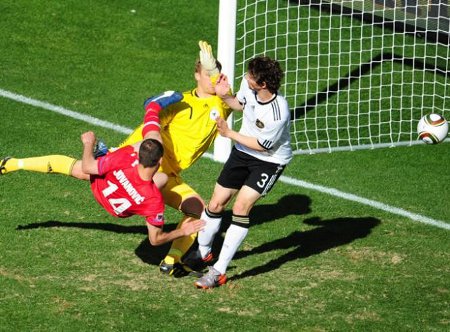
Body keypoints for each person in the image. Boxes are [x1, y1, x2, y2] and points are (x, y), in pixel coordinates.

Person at [0, 93, 205, 248]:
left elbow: (89, 166)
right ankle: (148, 110)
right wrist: (183, 230)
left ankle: (151, 108)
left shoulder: (126, 158)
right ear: (159, 160)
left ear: (137, 157)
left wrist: (88, 144)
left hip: (104, 184)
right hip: (118, 205)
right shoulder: (153, 199)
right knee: (160, 177)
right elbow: (155, 239)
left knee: (82, 168)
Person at [98, 40, 232, 275]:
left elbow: (239, 104)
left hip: (172, 175)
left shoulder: (223, 102)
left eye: (216, 74)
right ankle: (16, 164)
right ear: (196, 75)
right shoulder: (181, 103)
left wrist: (223, 85)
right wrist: (122, 150)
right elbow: (149, 131)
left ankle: (171, 260)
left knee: (198, 211)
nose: (213, 79)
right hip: (155, 169)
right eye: (207, 73)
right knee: (82, 171)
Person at [193, 55, 293, 289]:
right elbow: (239, 104)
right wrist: (224, 94)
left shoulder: (278, 113)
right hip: (242, 152)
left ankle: (218, 271)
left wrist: (229, 134)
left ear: (263, 84)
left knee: (240, 207)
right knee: (217, 203)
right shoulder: (248, 86)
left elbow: (263, 145)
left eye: (250, 76)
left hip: (269, 161)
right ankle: (203, 252)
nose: (246, 78)